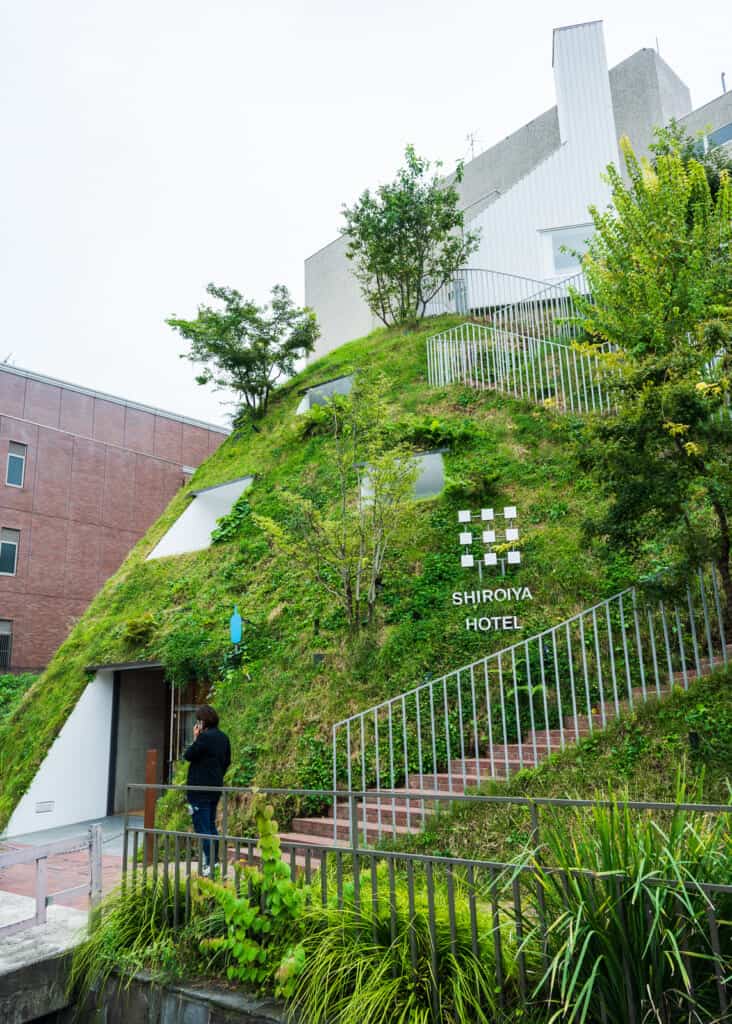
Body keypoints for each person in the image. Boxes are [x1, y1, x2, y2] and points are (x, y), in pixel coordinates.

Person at [183, 704, 231, 875]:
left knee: (202, 827)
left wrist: (196, 737)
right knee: (210, 825)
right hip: (215, 788)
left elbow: (188, 755)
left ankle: (209, 865)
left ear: (202, 722)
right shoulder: (224, 738)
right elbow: (226, 762)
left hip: (199, 789)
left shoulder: (204, 738)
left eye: (198, 721)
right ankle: (214, 862)